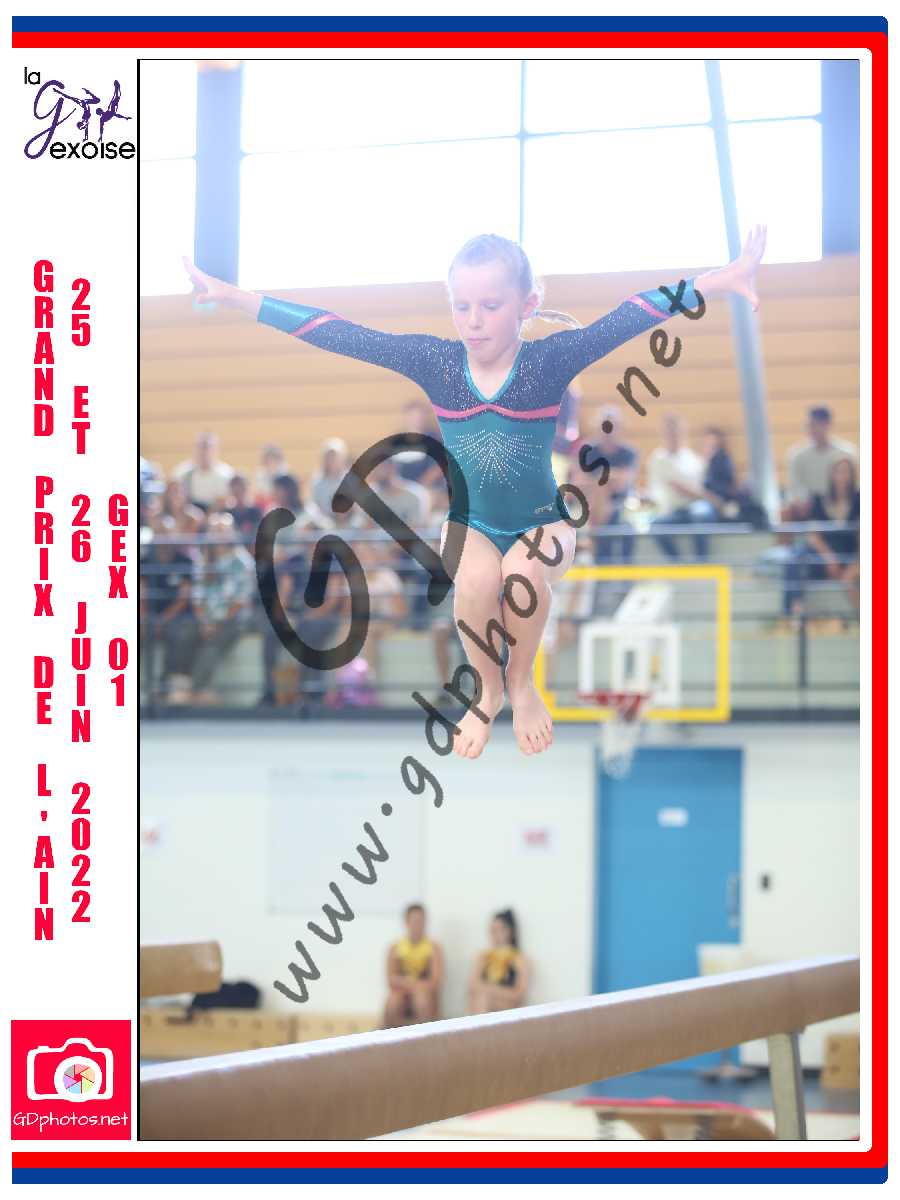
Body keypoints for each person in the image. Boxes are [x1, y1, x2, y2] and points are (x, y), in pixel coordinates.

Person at [183, 225, 766, 758]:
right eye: (461, 306)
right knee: (479, 579)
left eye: (491, 305)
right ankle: (487, 691)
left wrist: (719, 280)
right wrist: (236, 297)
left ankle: (522, 683)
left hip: (543, 520)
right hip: (472, 522)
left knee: (522, 571)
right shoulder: (437, 364)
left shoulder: (549, 362)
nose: (474, 321)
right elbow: (339, 333)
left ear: (527, 305)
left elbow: (630, 315)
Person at [190, 511, 256, 704]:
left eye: (223, 530)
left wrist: (216, 623)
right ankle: (174, 685)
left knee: (214, 642)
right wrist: (205, 621)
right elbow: (197, 596)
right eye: (215, 530)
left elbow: (240, 601)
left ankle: (198, 689)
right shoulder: (202, 561)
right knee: (183, 631)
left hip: (233, 618)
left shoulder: (243, 562)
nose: (218, 535)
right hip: (206, 618)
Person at [783, 457, 860, 617]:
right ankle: (795, 610)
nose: (842, 476)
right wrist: (829, 558)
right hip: (824, 555)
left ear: (852, 475)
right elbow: (813, 535)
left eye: (846, 472)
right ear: (832, 475)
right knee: (795, 556)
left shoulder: (860, 499)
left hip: (851, 555)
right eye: (838, 472)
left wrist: (856, 564)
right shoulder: (819, 500)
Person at [139, 515, 199, 705]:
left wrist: (162, 620)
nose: (164, 538)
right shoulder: (144, 560)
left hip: (178, 615)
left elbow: (183, 598)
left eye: (167, 533)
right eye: (160, 533)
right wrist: (146, 618)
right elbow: (141, 594)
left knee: (181, 631)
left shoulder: (184, 561)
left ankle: (166, 683)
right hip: (150, 613)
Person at [583, 404, 640, 565]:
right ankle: (601, 568)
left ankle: (623, 573)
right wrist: (609, 478)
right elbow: (580, 482)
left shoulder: (628, 452)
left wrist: (599, 479)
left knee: (623, 526)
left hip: (621, 503)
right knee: (603, 522)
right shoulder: (588, 451)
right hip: (593, 504)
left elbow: (622, 483)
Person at [648, 414, 710, 561]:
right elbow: (681, 487)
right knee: (656, 526)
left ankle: (701, 562)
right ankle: (677, 563)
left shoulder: (690, 456)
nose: (674, 435)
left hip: (694, 508)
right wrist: (710, 498)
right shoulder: (659, 458)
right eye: (670, 431)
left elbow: (701, 481)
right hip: (671, 511)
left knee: (701, 514)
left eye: (676, 430)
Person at [785, 406, 858, 519]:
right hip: (810, 507)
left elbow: (854, 485)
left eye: (814, 425)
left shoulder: (848, 452)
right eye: (809, 426)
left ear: (827, 424)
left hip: (842, 504)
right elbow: (795, 488)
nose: (811, 430)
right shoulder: (797, 455)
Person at [382, 903, 444, 1028]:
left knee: (421, 1000)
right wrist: (412, 986)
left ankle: (425, 1036)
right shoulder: (395, 948)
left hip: (423, 992)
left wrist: (413, 986)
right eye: (415, 921)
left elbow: (435, 981)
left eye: (421, 921)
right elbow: (391, 979)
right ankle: (391, 1036)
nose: (418, 925)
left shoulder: (433, 948)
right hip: (402, 991)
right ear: (406, 922)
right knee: (392, 1003)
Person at [467, 909, 529, 1014]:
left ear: (510, 931)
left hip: (508, 1008)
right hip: (483, 1004)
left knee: (483, 998)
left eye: (500, 930)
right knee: (479, 999)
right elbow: (472, 985)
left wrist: (490, 990)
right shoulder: (483, 957)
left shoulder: (519, 958)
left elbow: (519, 994)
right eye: (492, 930)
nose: (495, 935)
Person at [173, 431, 236, 512]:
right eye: (200, 447)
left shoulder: (227, 475)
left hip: (218, 514)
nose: (204, 452)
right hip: (189, 514)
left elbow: (229, 502)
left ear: (216, 450)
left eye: (207, 447)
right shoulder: (182, 473)